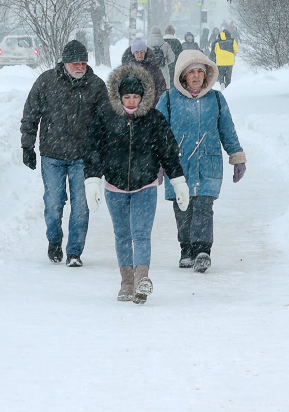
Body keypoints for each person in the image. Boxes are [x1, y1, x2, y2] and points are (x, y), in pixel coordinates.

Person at [85, 65, 189, 303]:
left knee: (141, 234)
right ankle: (127, 282)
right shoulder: (106, 117)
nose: (131, 102)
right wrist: (92, 180)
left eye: (136, 97)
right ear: (119, 97)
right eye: (127, 97)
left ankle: (142, 279)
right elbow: (92, 149)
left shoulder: (154, 119)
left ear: (143, 97)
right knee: (122, 235)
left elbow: (169, 152)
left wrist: (178, 180)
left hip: (146, 186)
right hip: (115, 187)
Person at [156, 49, 246, 273]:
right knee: (183, 207)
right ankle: (186, 249)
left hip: (209, 162)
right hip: (178, 164)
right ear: (182, 75)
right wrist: (156, 162)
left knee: (204, 206)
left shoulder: (216, 99)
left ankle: (202, 251)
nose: (196, 76)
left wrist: (237, 157)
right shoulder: (167, 100)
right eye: (191, 72)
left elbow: (227, 130)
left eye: (200, 72)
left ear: (206, 75)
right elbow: (156, 134)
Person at [20, 40, 108, 267]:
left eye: (83, 63)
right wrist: (27, 146)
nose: (80, 67)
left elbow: (106, 122)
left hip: (83, 157)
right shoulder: (47, 82)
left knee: (81, 206)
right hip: (52, 155)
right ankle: (54, 240)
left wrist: (103, 153)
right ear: (64, 63)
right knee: (53, 204)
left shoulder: (96, 86)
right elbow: (31, 114)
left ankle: (74, 252)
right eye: (74, 63)